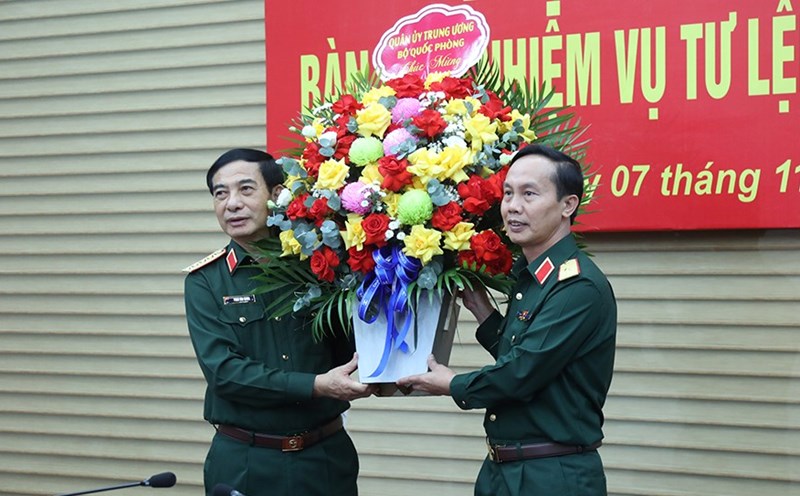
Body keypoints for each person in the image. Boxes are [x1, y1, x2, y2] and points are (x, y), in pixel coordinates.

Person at [399, 144, 617, 495]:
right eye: (508, 193)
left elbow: (522, 373)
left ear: (568, 205)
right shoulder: (533, 277)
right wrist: (482, 310)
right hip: (504, 470)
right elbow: (520, 355)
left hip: (551, 477)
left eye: (529, 194)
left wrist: (451, 384)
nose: (513, 206)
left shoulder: (577, 285)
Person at [183, 148, 375, 496]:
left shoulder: (320, 265)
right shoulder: (205, 281)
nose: (232, 204)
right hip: (247, 461)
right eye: (220, 194)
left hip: (325, 457)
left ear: (275, 195)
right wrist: (316, 385)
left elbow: (353, 345)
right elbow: (225, 374)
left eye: (245, 189)